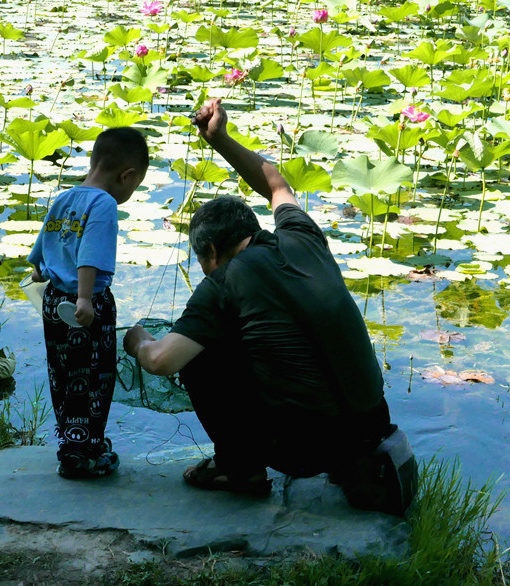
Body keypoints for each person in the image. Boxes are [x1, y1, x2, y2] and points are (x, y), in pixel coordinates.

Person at [123, 99, 416, 515]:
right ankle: (331, 462)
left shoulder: (226, 281)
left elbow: (161, 362)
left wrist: (138, 340)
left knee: (199, 355)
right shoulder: (301, 235)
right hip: (372, 429)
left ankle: (239, 470)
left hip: (308, 455)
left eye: (202, 262)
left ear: (209, 250)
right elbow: (277, 185)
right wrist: (220, 139)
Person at [28, 126, 149, 479]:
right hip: (85, 305)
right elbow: (89, 255)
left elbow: (38, 256)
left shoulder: (65, 198)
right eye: (135, 185)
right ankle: (86, 452)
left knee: (63, 373)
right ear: (126, 176)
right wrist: (84, 298)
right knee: (94, 376)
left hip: (53, 302)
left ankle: (71, 443)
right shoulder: (104, 204)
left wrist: (44, 273)